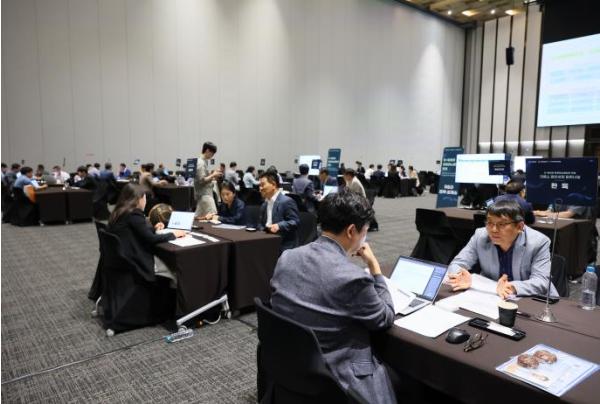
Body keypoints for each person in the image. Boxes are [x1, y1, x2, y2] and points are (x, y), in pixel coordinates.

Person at [270, 189, 396, 404]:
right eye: (365, 232)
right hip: (335, 376)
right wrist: (374, 267)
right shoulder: (353, 278)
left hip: (289, 364)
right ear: (351, 231)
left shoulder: (287, 257)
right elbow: (384, 318)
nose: (364, 238)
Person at [448, 199, 557, 298]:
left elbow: (541, 281)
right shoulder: (480, 236)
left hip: (530, 299)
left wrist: (512, 287)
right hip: (491, 295)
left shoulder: (538, 242)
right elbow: (457, 263)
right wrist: (459, 275)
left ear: (519, 226)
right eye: (490, 223)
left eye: (501, 224)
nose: (493, 230)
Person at [108, 184, 185, 286]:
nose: (146, 201)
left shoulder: (120, 211)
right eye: (144, 198)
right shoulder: (134, 214)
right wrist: (174, 234)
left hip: (122, 255)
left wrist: (154, 229)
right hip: (135, 259)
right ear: (138, 199)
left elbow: (136, 230)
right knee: (171, 266)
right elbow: (151, 239)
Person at [258, 171, 300, 252]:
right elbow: (260, 224)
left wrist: (279, 226)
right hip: (266, 241)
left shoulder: (287, 201)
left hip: (283, 245)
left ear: (273, 185)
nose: (260, 188)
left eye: (262, 185)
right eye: (259, 185)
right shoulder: (264, 204)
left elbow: (295, 221)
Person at [194, 142, 222, 218]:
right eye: (212, 153)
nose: (212, 155)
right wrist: (213, 175)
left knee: (198, 218)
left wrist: (213, 174)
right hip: (205, 194)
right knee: (213, 215)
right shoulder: (200, 163)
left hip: (203, 194)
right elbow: (201, 180)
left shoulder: (203, 161)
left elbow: (204, 177)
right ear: (207, 150)